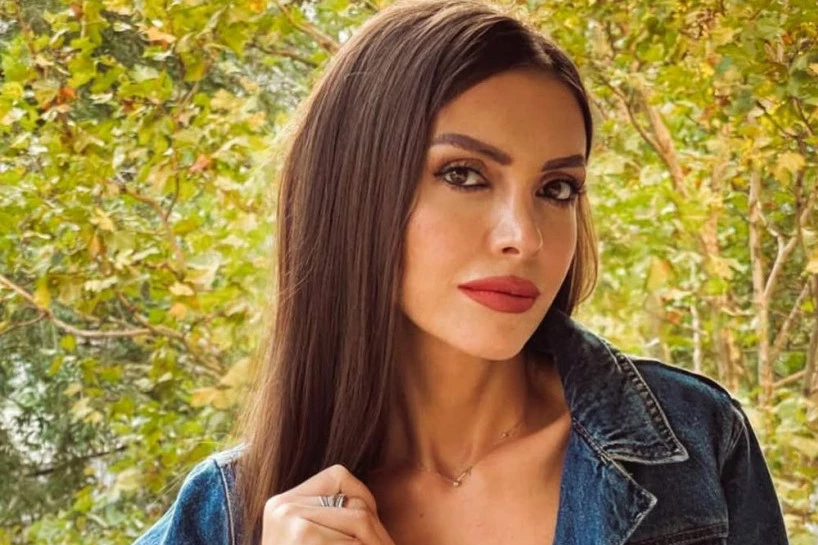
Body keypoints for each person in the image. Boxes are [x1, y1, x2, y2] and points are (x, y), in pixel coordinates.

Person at [133, 1, 789, 544]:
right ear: (354, 191)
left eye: (557, 188)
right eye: (465, 175)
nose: (523, 237)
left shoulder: (693, 442)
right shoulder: (228, 516)